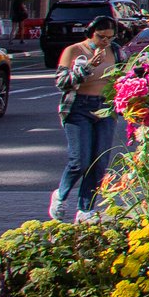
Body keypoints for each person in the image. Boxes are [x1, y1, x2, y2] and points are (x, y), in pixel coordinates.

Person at [51, 15, 122, 223]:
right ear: (90, 33)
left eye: (110, 37)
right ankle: (61, 196)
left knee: (98, 162)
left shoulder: (116, 51)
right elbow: (62, 82)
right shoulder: (74, 51)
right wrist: (88, 67)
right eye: (101, 36)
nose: (105, 41)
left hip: (105, 108)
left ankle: (85, 210)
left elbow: (124, 75)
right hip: (78, 108)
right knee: (79, 161)